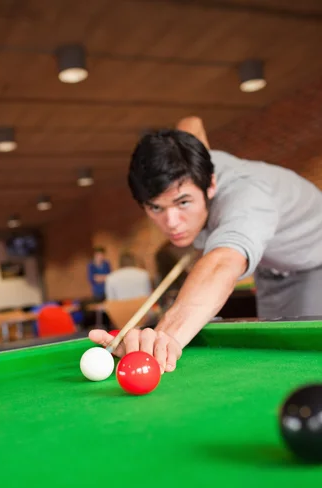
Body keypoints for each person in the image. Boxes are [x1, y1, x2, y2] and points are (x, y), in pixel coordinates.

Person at [89, 116, 322, 373]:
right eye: (156, 207)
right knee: (278, 354)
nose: (172, 223)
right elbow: (192, 122)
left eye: (183, 202)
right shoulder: (190, 160)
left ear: (211, 184)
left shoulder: (247, 199)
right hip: (272, 268)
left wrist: (162, 340)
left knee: (303, 360)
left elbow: (222, 263)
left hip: (314, 261)